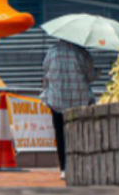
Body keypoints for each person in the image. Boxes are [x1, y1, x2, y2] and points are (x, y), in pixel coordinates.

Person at [40, 39, 97, 178]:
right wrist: (98, 71)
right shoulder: (82, 53)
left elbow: (46, 73)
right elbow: (91, 76)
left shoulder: (51, 52)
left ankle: (64, 169)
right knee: (81, 133)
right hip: (80, 101)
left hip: (57, 101)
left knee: (60, 135)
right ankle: (81, 166)